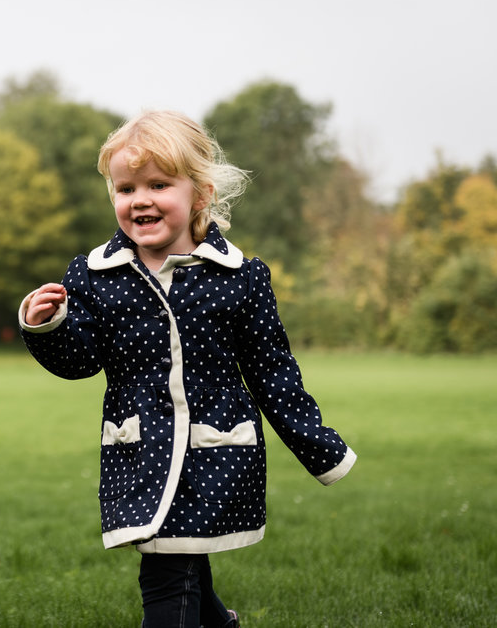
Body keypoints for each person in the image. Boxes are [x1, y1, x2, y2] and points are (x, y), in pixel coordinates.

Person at [18, 110, 356, 627]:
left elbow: (273, 371)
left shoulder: (241, 278)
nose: (140, 199)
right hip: (140, 449)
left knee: (169, 570)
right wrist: (49, 325)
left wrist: (321, 447)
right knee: (178, 555)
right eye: (125, 187)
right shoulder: (94, 274)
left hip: (215, 450)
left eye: (158, 184)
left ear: (199, 194)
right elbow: (80, 361)